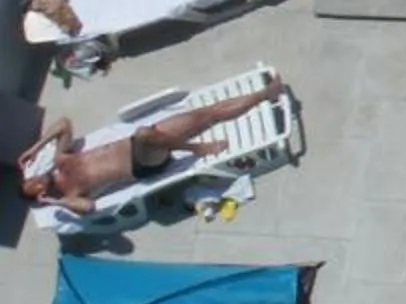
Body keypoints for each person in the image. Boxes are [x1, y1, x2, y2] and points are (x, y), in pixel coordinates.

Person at [19, 77, 289, 210]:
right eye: (36, 189)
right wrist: (55, 204)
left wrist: (34, 148)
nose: (38, 181)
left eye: (32, 180)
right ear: (41, 196)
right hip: (144, 163)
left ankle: (265, 93)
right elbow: (88, 208)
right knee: (145, 134)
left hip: (148, 142)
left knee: (206, 115)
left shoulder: (60, 160)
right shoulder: (70, 194)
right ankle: (198, 149)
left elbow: (64, 123)